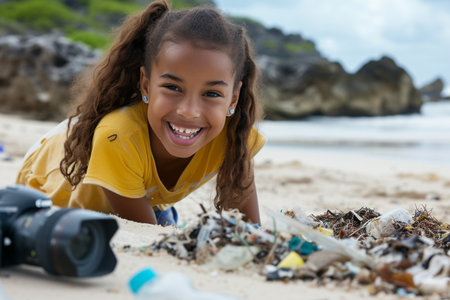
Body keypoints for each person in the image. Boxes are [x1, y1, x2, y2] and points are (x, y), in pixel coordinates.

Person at [15, 0, 266, 226]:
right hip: (47, 180)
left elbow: (250, 229)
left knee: (164, 219)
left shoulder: (236, 137)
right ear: (145, 84)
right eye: (172, 87)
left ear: (233, 97)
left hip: (139, 195)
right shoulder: (118, 138)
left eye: (211, 94)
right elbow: (145, 233)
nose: (188, 112)